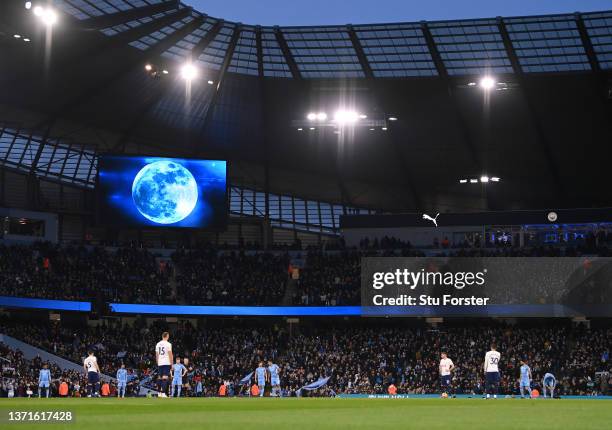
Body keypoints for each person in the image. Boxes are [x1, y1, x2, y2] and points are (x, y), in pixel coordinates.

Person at [155, 331, 173, 398]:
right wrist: (171, 364)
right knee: (165, 378)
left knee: (159, 377)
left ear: (162, 336)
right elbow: (170, 354)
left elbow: (156, 355)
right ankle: (163, 393)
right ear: (167, 336)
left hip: (160, 362)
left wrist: (158, 362)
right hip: (166, 362)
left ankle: (159, 392)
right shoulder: (168, 344)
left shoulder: (158, 344)